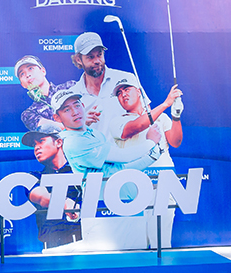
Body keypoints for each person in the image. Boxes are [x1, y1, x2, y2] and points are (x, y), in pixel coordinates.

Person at [50, 88, 162, 251]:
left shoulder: (94, 134)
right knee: (104, 267)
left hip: (130, 209)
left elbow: (120, 169)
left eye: (76, 105)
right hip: (102, 214)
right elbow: (123, 156)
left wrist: (153, 155)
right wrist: (150, 142)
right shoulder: (73, 142)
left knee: (136, 265)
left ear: (82, 105)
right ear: (57, 117)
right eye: (67, 110)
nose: (75, 112)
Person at [109, 75, 184, 248]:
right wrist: (165, 104)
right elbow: (134, 127)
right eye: (119, 93)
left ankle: (164, 272)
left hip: (164, 181)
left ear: (139, 92)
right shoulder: (118, 121)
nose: (123, 95)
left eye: (127, 89)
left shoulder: (162, 118)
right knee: (137, 242)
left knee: (162, 241)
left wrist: (175, 116)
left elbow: (175, 142)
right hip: (135, 184)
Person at [68, 32, 139, 139]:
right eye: (90, 57)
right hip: (94, 155)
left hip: (128, 153)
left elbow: (144, 116)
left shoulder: (126, 78)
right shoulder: (73, 94)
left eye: (99, 55)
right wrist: (81, 123)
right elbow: (69, 136)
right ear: (79, 60)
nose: (97, 61)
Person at [21, 128, 82, 250]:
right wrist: (65, 203)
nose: (36, 148)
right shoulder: (34, 177)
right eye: (34, 144)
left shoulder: (81, 171)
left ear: (59, 142)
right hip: (52, 248)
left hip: (87, 242)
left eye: (41, 141)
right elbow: (41, 198)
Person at [15, 55, 74, 132]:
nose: (27, 75)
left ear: (43, 71)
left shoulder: (70, 87)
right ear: (22, 84)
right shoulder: (28, 114)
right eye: (22, 74)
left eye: (30, 68)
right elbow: (53, 127)